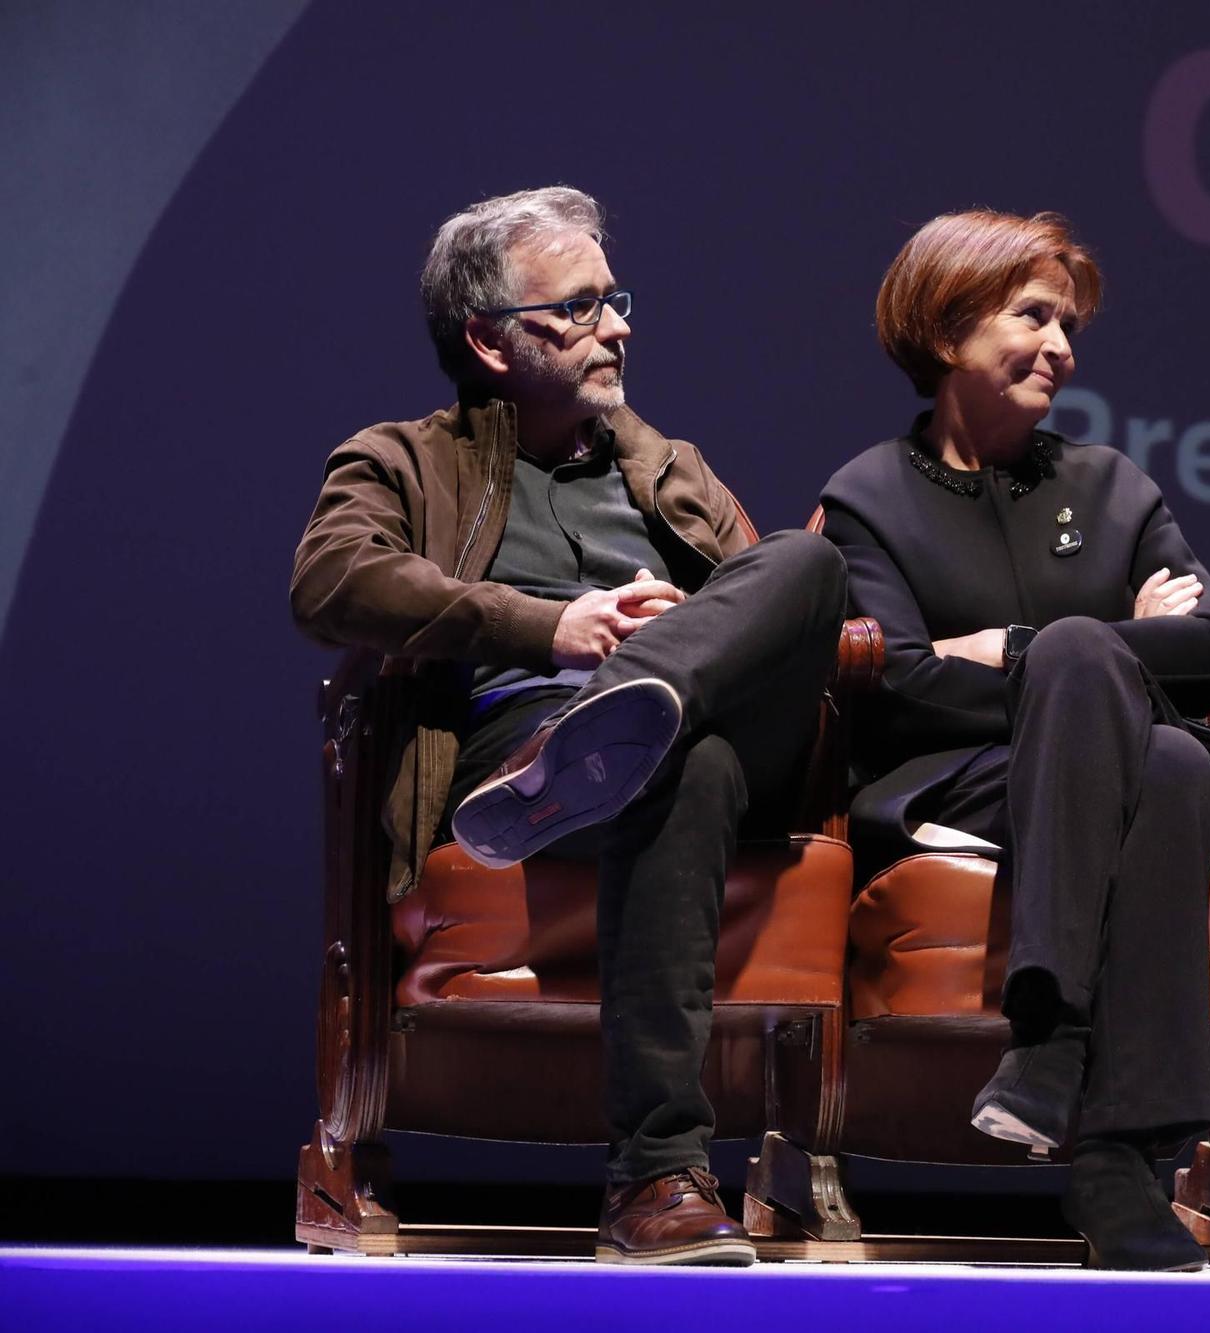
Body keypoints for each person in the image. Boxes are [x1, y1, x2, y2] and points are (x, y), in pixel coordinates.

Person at [290, 186, 846, 1267]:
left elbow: (772, 607)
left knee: (807, 562)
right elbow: (330, 579)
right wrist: (555, 628)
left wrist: (683, 633)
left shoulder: (669, 469)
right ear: (491, 342)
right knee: (683, 766)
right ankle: (657, 1180)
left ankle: (641, 701)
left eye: (617, 300)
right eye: (582, 308)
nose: (618, 327)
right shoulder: (403, 458)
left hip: (701, 719)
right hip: (523, 756)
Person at [818, 210, 1210, 1272]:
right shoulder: (869, 496)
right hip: (952, 782)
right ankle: (1116, 1158)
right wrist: (1101, 659)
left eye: (1067, 324)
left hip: (1115, 769)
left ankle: (1050, 1055)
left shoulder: (1112, 485)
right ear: (946, 330)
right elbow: (896, 675)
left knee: (1157, 746)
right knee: (1137, 726)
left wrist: (1022, 648)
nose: (1062, 348)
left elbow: (1208, 644)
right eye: (1032, 315)